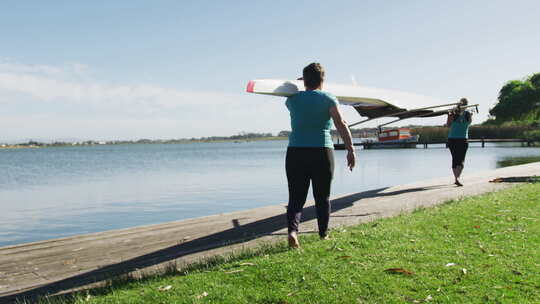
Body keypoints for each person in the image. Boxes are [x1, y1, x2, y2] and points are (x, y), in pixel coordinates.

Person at [285, 62, 356, 248]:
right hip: (321, 151)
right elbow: (341, 123)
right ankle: (323, 234)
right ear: (323, 79)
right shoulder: (328, 98)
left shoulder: (292, 99)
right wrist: (351, 149)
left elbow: (297, 96)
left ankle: (293, 232)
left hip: (295, 151)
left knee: (296, 196)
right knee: (322, 196)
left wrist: (301, 86)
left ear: (304, 79)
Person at [446, 98, 472, 187]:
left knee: (461, 160)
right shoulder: (453, 114)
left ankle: (457, 178)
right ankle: (457, 179)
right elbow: (448, 125)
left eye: (465, 104)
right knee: (455, 159)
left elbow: (469, 123)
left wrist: (462, 114)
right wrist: (449, 115)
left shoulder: (468, 114)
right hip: (452, 139)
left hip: (463, 139)